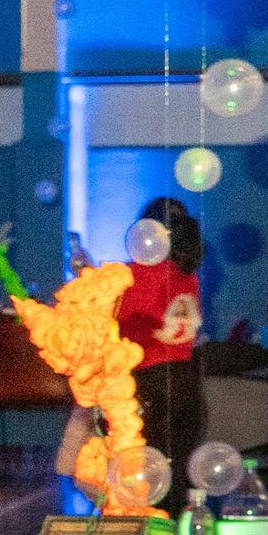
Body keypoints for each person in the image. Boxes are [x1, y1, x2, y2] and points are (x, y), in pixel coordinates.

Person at [119, 193, 206, 486]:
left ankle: (151, 529)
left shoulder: (138, 274)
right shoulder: (188, 274)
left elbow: (124, 322)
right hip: (186, 379)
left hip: (150, 380)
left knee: (148, 474)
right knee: (179, 470)